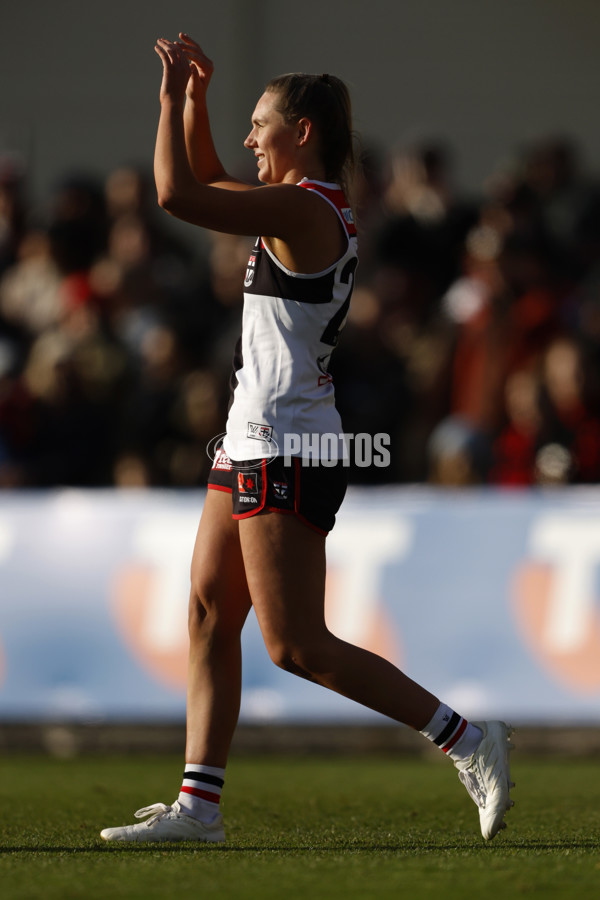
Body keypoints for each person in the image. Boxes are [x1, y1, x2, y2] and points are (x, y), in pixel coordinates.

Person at [100, 33, 514, 844]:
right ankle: (199, 809)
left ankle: (468, 739)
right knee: (210, 613)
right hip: (255, 436)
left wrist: (168, 99)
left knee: (296, 645)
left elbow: (177, 193)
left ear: (304, 133)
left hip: (287, 443)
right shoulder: (299, 203)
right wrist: (195, 101)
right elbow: (210, 179)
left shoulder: (304, 205)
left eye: (262, 124)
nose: (250, 138)